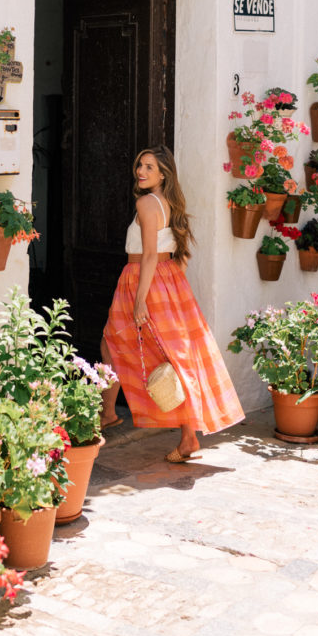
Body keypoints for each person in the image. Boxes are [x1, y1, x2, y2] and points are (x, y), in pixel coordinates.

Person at [101, 144, 244, 462]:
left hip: (143, 278)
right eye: (140, 165)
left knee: (121, 344)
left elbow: (150, 253)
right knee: (170, 354)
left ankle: (115, 414)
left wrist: (140, 298)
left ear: (163, 174)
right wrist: (170, 288)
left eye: (149, 167)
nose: (141, 171)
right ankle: (114, 413)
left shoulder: (146, 203)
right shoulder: (168, 203)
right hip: (165, 279)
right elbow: (177, 252)